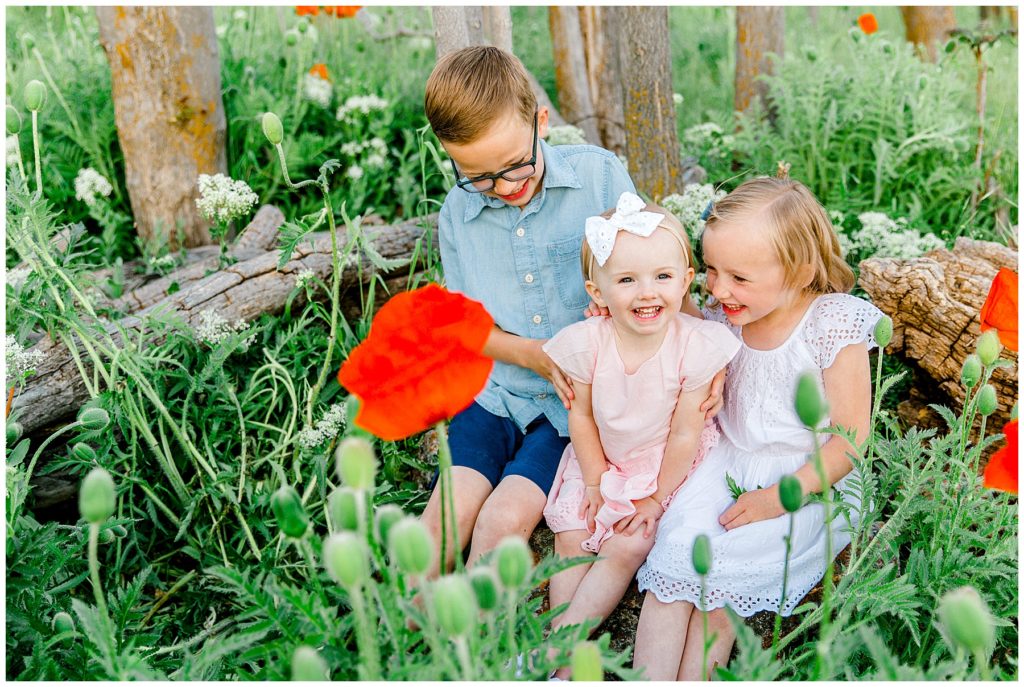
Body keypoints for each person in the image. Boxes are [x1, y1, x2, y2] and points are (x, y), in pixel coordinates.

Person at [632, 176, 883, 680]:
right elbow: (670, 323)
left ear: (800, 271)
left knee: (718, 599)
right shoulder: (724, 316)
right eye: (709, 270)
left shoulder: (831, 322)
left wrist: (778, 497)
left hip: (806, 480)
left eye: (739, 277)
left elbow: (852, 442)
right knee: (674, 568)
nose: (719, 289)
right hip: (725, 462)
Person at [419, 45, 642, 575]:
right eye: (479, 177)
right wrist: (532, 354)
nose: (505, 187)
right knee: (441, 520)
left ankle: (476, 648)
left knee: (502, 520)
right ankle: (400, 641)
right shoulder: (458, 215)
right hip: (498, 394)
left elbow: (648, 281)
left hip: (574, 412)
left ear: (541, 122)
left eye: (516, 164)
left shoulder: (600, 178)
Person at [541, 193, 740, 680]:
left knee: (628, 545)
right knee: (570, 534)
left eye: (662, 277)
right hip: (600, 459)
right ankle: (563, 650)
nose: (646, 293)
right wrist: (592, 480)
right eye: (627, 280)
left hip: (661, 464)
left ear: (686, 281)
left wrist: (654, 499)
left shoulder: (693, 347)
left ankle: (561, 651)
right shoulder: (587, 343)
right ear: (597, 292)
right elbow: (582, 418)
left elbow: (684, 434)